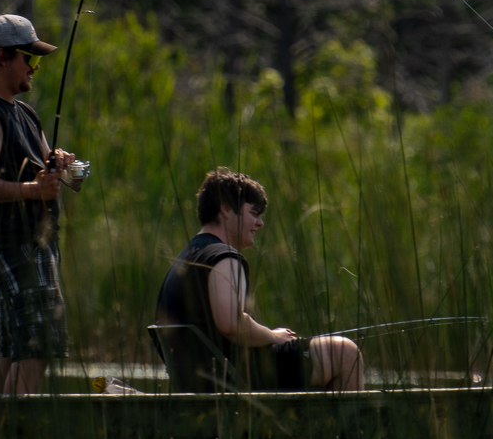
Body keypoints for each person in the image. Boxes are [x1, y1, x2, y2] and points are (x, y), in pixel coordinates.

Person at [0, 13, 83, 394]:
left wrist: (64, 164)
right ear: (2, 57)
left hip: (35, 245)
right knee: (39, 342)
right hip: (14, 245)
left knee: (12, 350)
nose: (35, 67)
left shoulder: (23, 113)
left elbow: (51, 171)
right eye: (30, 58)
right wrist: (31, 191)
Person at [154, 168, 362, 392]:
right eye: (254, 213)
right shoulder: (224, 257)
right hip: (233, 377)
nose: (260, 223)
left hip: (202, 378)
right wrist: (273, 336)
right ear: (225, 208)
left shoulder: (185, 257)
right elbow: (231, 324)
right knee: (345, 353)